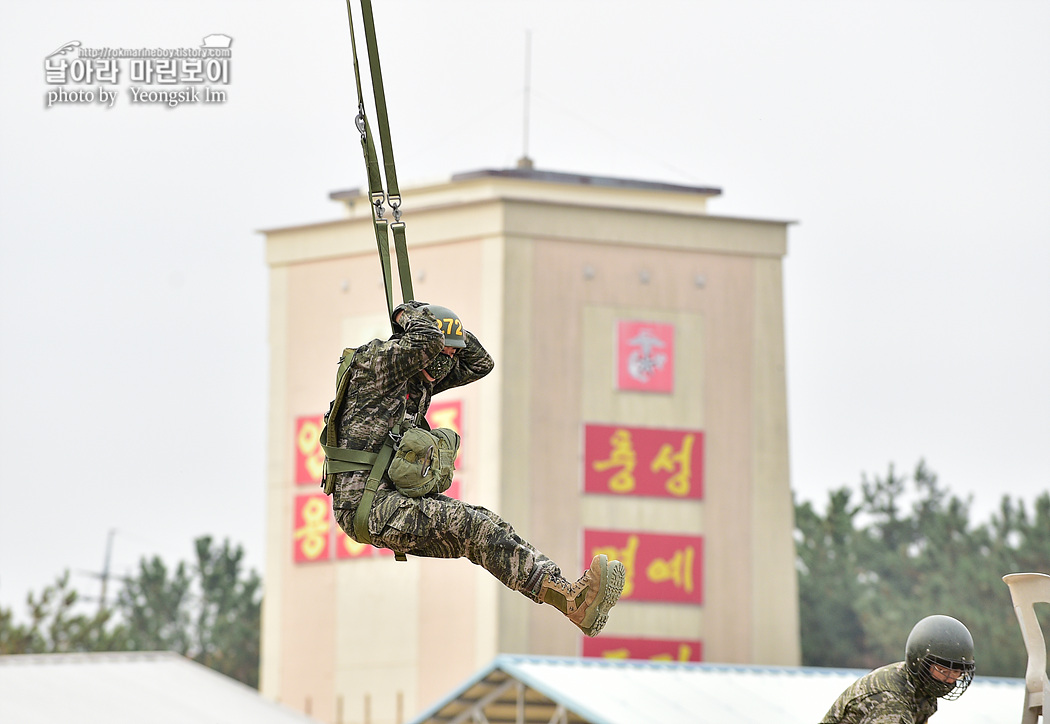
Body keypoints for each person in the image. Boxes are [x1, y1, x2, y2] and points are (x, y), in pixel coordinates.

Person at [322, 300, 626, 636]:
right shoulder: (379, 364)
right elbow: (426, 342)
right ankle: (569, 599)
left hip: (387, 502)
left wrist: (450, 331)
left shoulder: (415, 376)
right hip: (367, 505)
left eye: (450, 356)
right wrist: (409, 314)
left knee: (484, 529)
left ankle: (571, 600)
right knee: (471, 525)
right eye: (443, 354)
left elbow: (481, 363)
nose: (445, 364)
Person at [820, 614, 975, 723]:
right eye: (942, 670)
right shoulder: (891, 702)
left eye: (956, 672)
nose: (949, 679)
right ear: (920, 662)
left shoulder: (921, 686)